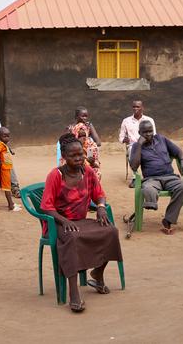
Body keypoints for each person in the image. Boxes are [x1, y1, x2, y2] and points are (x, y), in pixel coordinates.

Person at [41, 133, 123, 313]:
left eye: (81, 154)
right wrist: (63, 221)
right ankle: (74, 292)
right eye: (73, 156)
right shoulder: (56, 175)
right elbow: (46, 207)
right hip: (58, 224)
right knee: (72, 238)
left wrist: (101, 207)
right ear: (64, 157)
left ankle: (97, 274)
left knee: (111, 231)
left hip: (80, 221)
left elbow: (99, 194)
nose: (78, 159)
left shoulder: (88, 171)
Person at [129, 120, 183, 235]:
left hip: (170, 177)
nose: (148, 134)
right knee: (148, 188)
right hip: (152, 179)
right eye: (145, 132)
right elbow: (134, 166)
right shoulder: (137, 146)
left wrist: (182, 164)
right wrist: (140, 145)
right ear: (139, 133)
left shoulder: (162, 139)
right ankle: (151, 203)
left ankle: (168, 219)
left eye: (150, 131)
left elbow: (179, 152)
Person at [0, 127, 21, 211]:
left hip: (7, 168)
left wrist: (11, 151)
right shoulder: (0, 144)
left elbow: (6, 150)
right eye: (5, 136)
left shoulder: (4, 144)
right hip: (4, 169)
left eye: (8, 136)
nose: (7, 138)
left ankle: (11, 203)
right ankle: (10, 205)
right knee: (7, 188)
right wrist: (0, 161)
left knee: (7, 187)